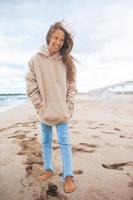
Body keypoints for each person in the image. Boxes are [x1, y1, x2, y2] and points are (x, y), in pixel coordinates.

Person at [25, 21, 77, 193]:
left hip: (62, 110)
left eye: (62, 39)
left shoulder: (67, 61)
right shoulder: (35, 59)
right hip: (45, 110)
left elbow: (71, 86)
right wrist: (40, 106)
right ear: (49, 37)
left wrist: (69, 106)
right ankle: (49, 169)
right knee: (46, 141)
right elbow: (31, 85)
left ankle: (68, 175)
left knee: (65, 142)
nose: (58, 42)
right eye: (55, 37)